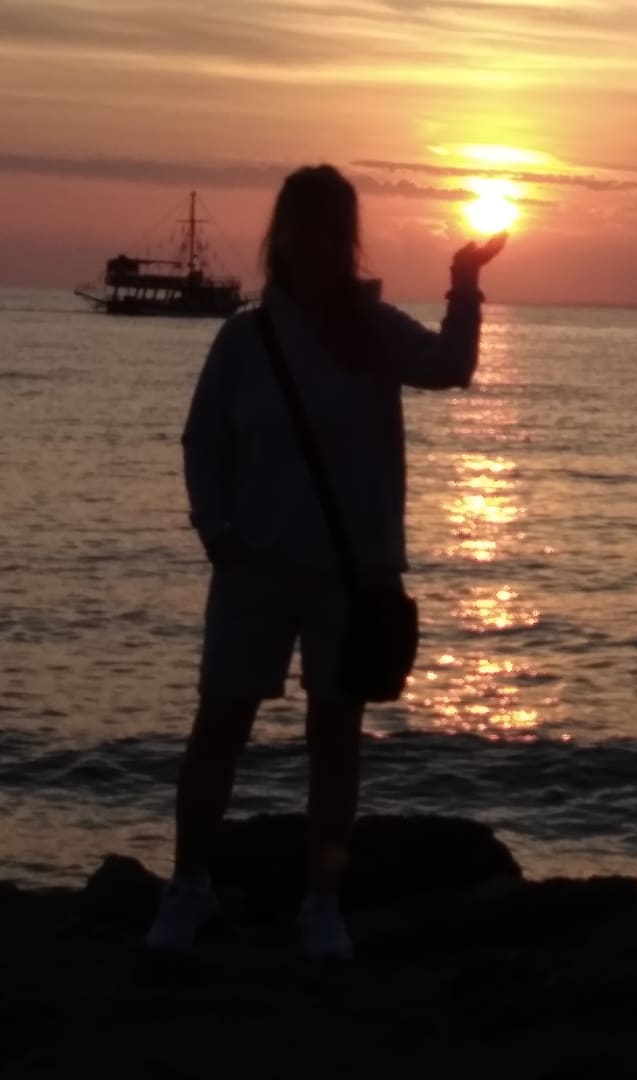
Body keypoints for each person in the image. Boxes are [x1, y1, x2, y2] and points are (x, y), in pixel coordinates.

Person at [144, 164, 506, 959]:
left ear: (347, 240)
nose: (317, 244)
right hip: (253, 569)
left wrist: (464, 279)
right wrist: (214, 529)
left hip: (352, 573)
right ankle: (189, 886)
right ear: (282, 237)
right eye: (304, 228)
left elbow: (451, 366)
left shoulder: (370, 328)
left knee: (335, 740)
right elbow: (205, 440)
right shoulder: (245, 339)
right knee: (219, 728)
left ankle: (321, 902)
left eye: (332, 230)